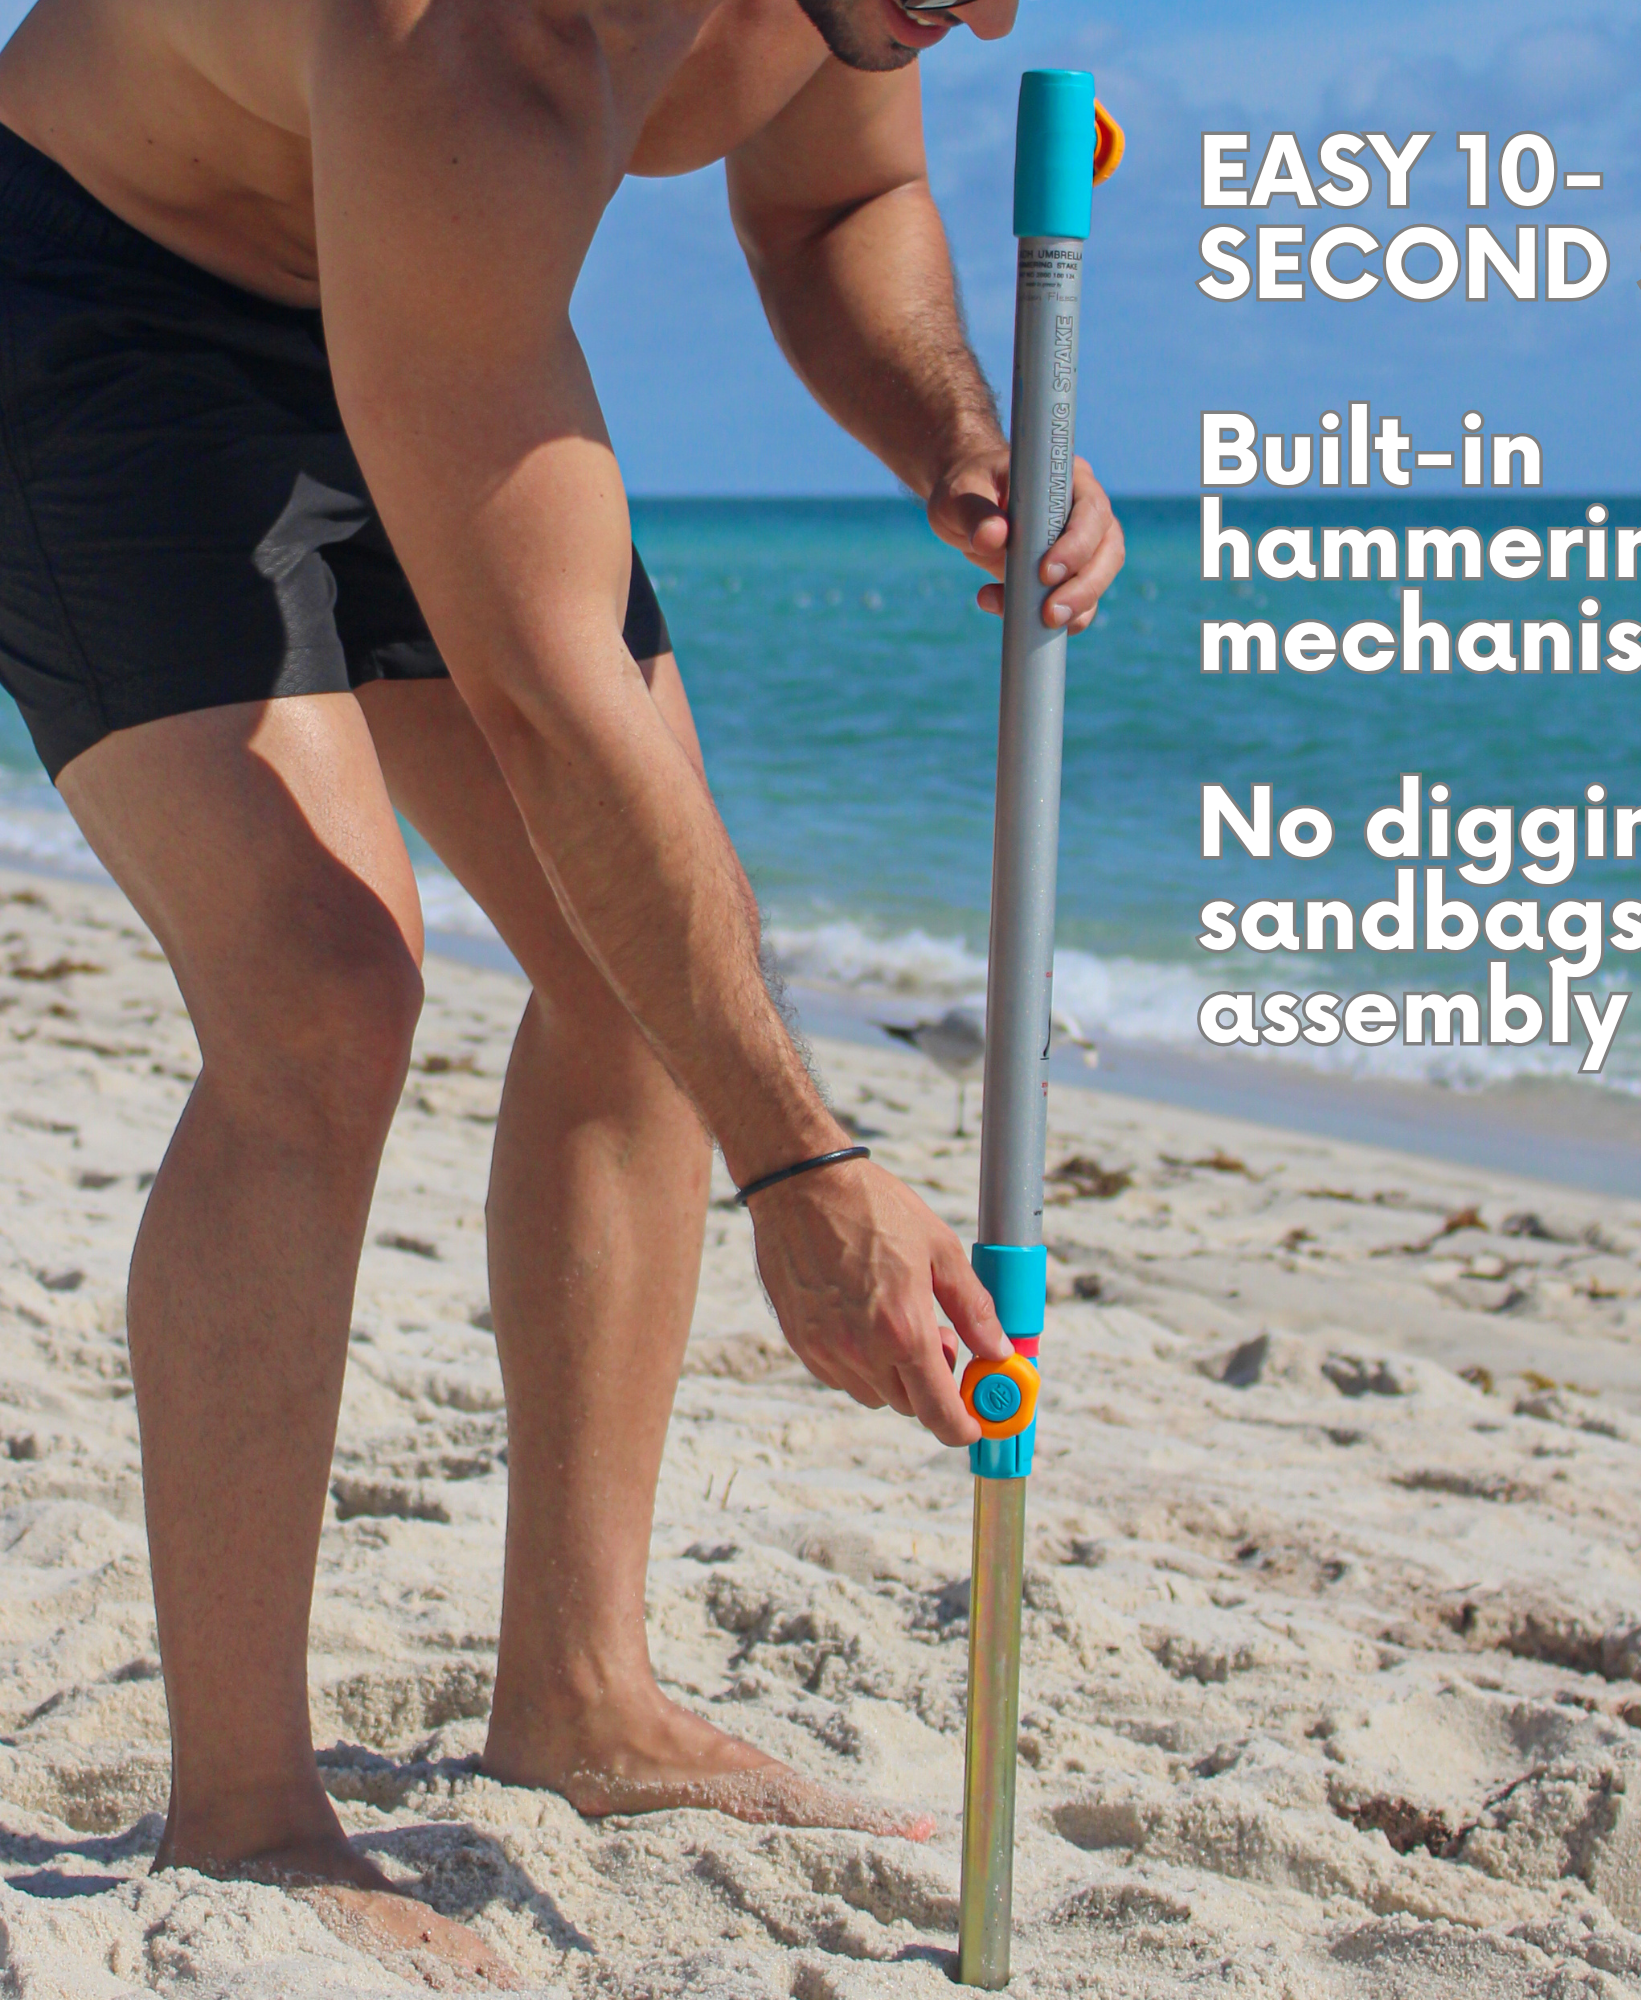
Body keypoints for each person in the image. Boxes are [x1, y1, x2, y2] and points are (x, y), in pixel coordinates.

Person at [0, 0, 1125, 1976]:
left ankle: (578, 1695)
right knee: (327, 996)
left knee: (647, 974)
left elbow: (842, 197)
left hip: (434, 296)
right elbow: (540, 705)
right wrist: (806, 1169)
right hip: (112, 291)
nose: (987, 14)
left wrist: (952, 418)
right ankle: (248, 1807)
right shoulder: (472, 41)